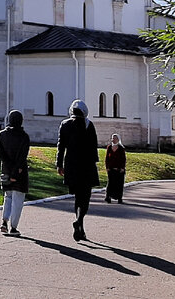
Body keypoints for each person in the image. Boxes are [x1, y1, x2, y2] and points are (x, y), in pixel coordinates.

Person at [56, 99, 99, 242]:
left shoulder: (65, 124)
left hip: (72, 166)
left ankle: (79, 225)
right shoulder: (88, 125)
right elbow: (94, 147)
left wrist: (59, 164)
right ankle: (79, 221)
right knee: (85, 198)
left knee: (77, 198)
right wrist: (95, 163)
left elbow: (61, 146)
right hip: (86, 166)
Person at [0, 109, 30, 236]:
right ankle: (13, 227)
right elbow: (22, 157)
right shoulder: (24, 136)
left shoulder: (1, 135)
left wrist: (9, 170)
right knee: (18, 200)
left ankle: (4, 221)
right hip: (20, 172)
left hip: (6, 170)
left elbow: (1, 155)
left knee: (8, 196)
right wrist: (16, 172)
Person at [104, 133, 126, 203]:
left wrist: (122, 168)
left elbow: (123, 159)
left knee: (119, 184)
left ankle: (119, 198)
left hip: (119, 170)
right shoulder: (109, 147)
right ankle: (108, 197)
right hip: (111, 169)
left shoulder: (121, 148)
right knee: (110, 184)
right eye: (112, 138)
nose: (113, 140)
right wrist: (107, 167)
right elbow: (107, 158)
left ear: (118, 140)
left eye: (115, 138)